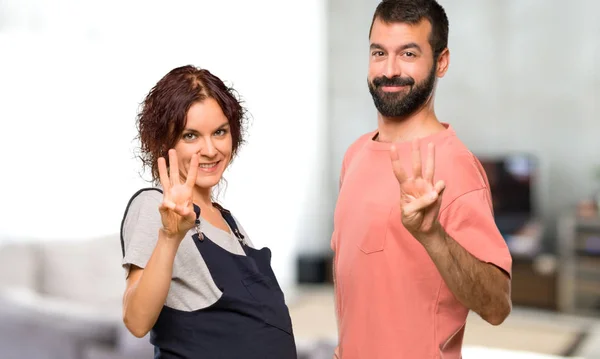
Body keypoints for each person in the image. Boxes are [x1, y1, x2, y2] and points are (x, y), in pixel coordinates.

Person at [330, 1, 513, 358]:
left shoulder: (457, 165)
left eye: (409, 53)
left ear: (441, 62)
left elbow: (497, 307)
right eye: (379, 52)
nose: (390, 70)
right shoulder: (355, 155)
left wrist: (433, 236)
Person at [119, 65, 297, 359]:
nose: (211, 149)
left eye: (219, 132)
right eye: (191, 136)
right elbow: (136, 321)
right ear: (165, 141)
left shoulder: (229, 222)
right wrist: (169, 237)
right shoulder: (154, 206)